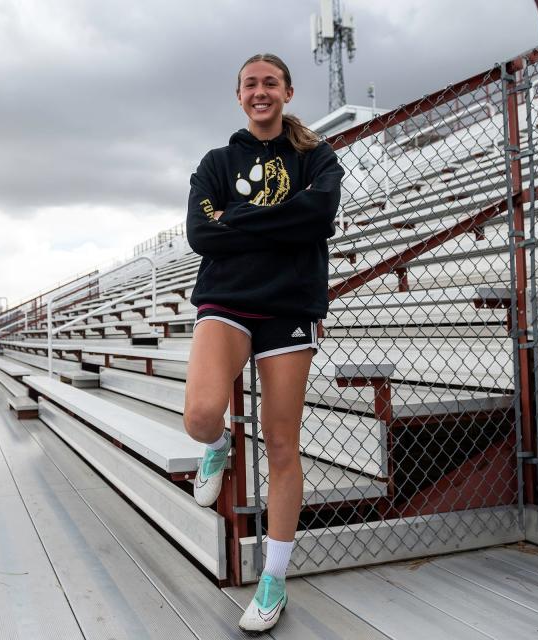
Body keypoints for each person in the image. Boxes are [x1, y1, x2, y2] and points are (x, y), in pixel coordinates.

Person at [183, 52, 344, 633]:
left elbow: (319, 214)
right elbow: (201, 233)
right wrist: (280, 220)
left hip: (288, 308)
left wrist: (239, 218)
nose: (260, 91)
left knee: (281, 444)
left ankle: (273, 578)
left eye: (270, 83)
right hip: (226, 299)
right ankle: (219, 443)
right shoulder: (217, 161)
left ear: (287, 92)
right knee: (201, 414)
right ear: (239, 95)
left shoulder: (316, 157)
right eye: (251, 84)